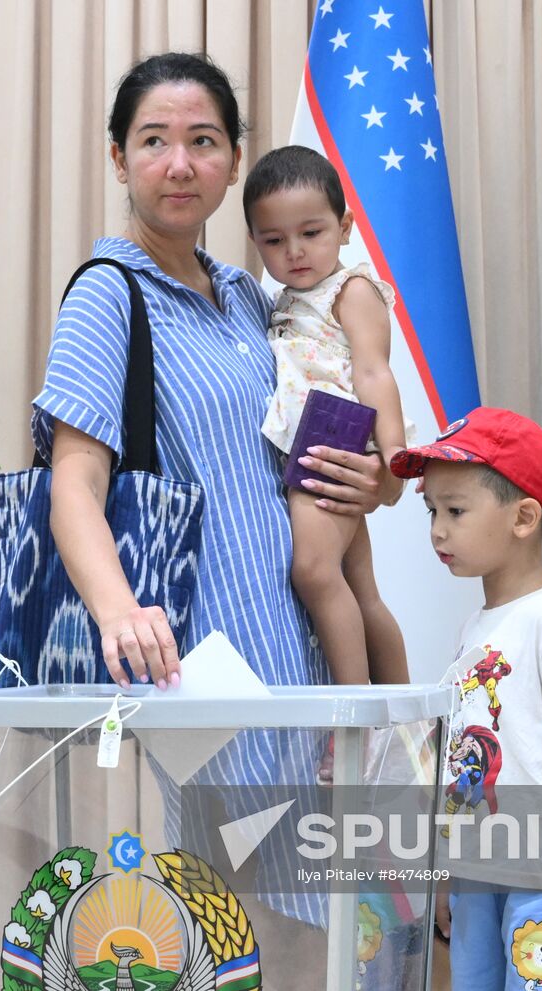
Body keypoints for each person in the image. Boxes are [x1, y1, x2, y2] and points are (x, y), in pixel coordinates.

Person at [31, 52, 394, 941]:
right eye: (154, 141)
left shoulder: (251, 296)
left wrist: (373, 481)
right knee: (247, 927)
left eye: (203, 141)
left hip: (305, 653)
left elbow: (321, 436)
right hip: (208, 672)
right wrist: (119, 613)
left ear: (235, 160)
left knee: (340, 930)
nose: (180, 162)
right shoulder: (107, 296)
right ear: (119, 158)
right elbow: (72, 484)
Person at [389, 407, 542, 990]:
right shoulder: (476, 630)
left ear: (523, 518)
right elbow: (462, 764)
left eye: (456, 510)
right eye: (432, 511)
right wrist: (448, 875)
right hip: (474, 882)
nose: (438, 529)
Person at [243, 144, 409, 689]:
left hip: (334, 438)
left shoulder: (352, 289)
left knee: (314, 572)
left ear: (344, 227)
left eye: (311, 233)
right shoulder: (285, 298)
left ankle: (353, 711)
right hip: (307, 441)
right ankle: (399, 716)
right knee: (360, 589)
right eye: (274, 240)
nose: (294, 251)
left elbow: (374, 373)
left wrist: (393, 457)